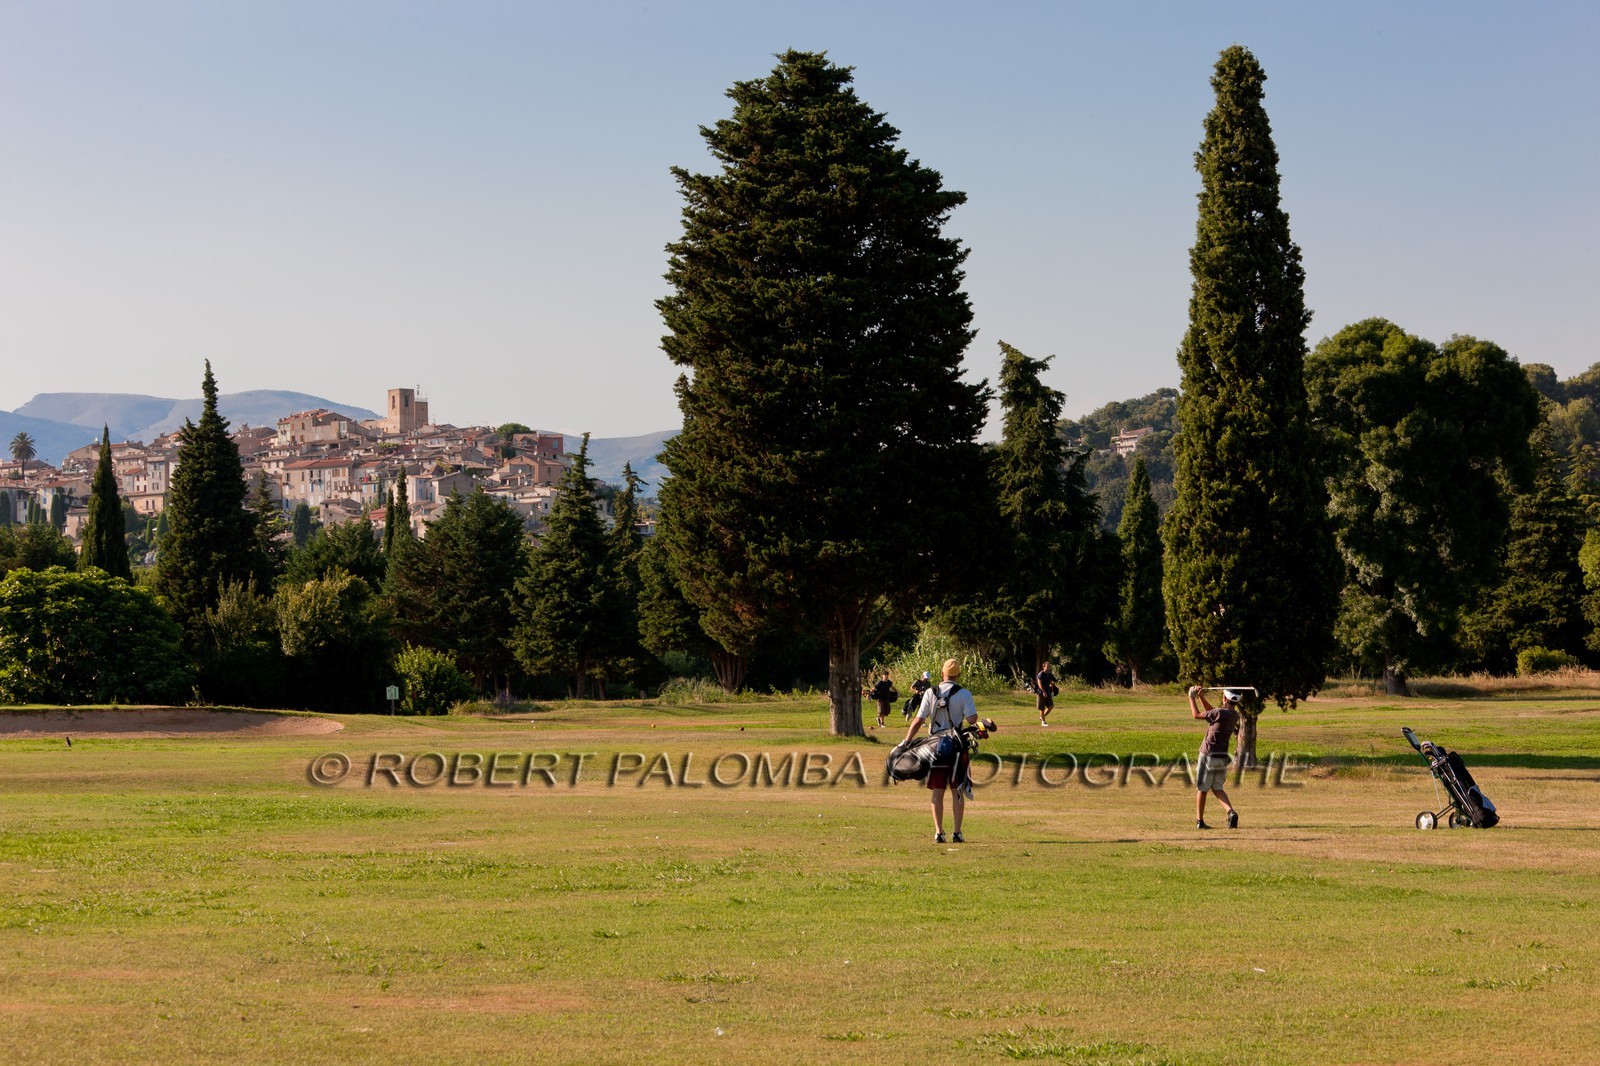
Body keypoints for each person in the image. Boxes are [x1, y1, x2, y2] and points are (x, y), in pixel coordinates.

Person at [900, 658, 979, 843]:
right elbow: (972, 719)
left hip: (934, 747)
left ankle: (939, 832)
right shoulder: (964, 693)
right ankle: (957, 833)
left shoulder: (930, 692)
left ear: (942, 674)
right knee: (957, 789)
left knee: (937, 790)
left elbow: (918, 720)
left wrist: (906, 742)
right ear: (958, 675)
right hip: (957, 746)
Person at [1187, 685, 1240, 829]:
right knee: (1217, 787)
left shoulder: (1218, 713)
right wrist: (1201, 696)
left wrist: (1191, 697)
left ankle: (1200, 821)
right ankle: (1231, 812)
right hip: (1221, 757)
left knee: (1202, 789)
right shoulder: (1234, 716)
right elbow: (1212, 712)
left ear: (1224, 698)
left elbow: (1196, 714)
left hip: (1208, 755)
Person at [1035, 661, 1057, 727]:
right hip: (1041, 693)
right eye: (1047, 666)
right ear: (1044, 666)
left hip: (1048, 692)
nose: (1049, 668)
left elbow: (1051, 683)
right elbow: (1039, 683)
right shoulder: (1041, 674)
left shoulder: (1049, 674)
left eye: (1049, 666)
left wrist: (1052, 691)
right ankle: (1043, 722)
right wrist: (1043, 691)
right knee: (1042, 708)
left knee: (1051, 706)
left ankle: (1042, 716)